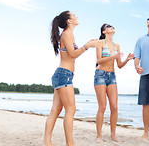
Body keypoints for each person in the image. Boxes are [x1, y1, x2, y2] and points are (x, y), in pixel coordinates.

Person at [43, 11, 99, 146]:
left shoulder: (69, 34)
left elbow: (71, 53)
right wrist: (87, 46)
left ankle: (47, 142)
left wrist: (87, 45)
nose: (76, 17)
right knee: (71, 109)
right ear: (69, 20)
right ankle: (70, 143)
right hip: (64, 75)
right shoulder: (67, 34)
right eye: (74, 15)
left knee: (55, 110)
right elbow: (73, 54)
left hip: (62, 75)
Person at [94, 23, 134, 143]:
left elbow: (119, 65)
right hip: (100, 75)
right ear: (104, 32)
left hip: (112, 76)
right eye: (108, 26)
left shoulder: (117, 45)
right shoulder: (100, 43)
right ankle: (99, 136)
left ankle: (113, 135)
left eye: (112, 26)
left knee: (114, 106)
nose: (112, 27)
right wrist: (113, 57)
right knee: (102, 106)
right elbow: (99, 60)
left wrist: (127, 59)